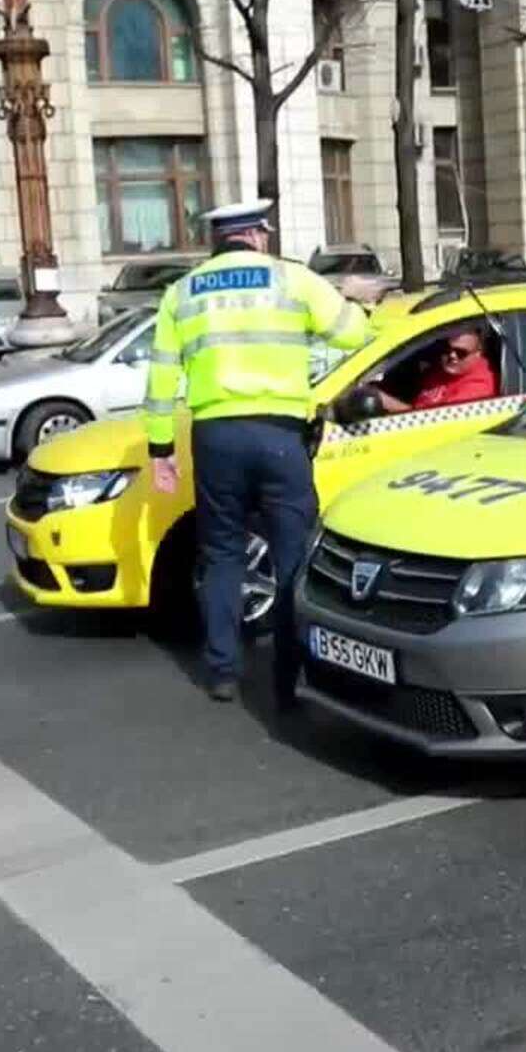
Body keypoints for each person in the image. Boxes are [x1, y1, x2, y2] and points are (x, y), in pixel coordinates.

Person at [144, 200, 375, 704]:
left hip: (215, 437)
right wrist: (355, 301)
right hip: (279, 436)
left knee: (222, 553)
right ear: (255, 235)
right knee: (293, 555)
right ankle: (289, 676)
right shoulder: (292, 279)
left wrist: (160, 447)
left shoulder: (181, 293)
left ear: (219, 239)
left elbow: (161, 376)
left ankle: (223, 670)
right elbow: (354, 333)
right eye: (265, 234)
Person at [375, 327, 497, 413]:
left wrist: (386, 402)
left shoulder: (477, 388)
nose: (452, 355)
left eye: (461, 352)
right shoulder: (446, 368)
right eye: (447, 349)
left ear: (478, 353)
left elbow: (433, 424)